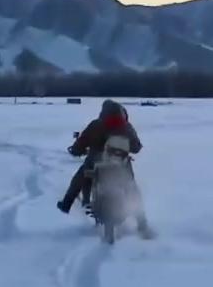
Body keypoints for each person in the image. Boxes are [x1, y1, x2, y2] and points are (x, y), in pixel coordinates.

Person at [58, 100, 150, 234]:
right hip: (121, 165)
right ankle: (142, 222)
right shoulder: (126, 126)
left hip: (95, 163)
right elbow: (136, 147)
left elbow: (80, 144)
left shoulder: (96, 124)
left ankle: (66, 204)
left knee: (80, 178)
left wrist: (76, 150)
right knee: (132, 188)